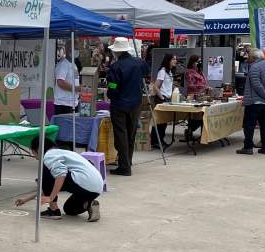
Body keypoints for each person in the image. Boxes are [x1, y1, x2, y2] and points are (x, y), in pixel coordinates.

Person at [13, 142, 104, 222]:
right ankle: (88, 205)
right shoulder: (63, 153)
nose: (34, 156)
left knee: (46, 170)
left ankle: (54, 210)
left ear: (38, 149)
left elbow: (61, 175)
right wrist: (26, 199)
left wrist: (51, 198)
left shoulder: (49, 156)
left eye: (33, 152)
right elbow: (48, 188)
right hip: (96, 188)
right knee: (69, 210)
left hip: (83, 181)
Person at [105, 36, 147, 176]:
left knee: (121, 134)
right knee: (131, 133)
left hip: (120, 104)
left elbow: (112, 87)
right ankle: (128, 161)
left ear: (116, 51)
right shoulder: (139, 63)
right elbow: (146, 72)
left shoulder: (115, 67)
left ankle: (125, 166)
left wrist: (111, 95)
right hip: (135, 103)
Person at [237, 48, 265, 156]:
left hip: (254, 102)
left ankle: (248, 147)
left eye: (249, 57)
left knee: (249, 125)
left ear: (254, 57)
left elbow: (257, 85)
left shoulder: (254, 67)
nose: (248, 59)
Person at [149, 54, 178, 149]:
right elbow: (156, 87)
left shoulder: (169, 72)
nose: (175, 61)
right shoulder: (162, 71)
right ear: (168, 60)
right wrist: (162, 98)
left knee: (164, 121)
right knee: (159, 121)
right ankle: (155, 141)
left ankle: (161, 139)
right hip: (162, 98)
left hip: (167, 98)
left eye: (175, 59)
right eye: (173, 59)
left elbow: (168, 85)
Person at [53, 43, 80, 117]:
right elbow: (60, 82)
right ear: (68, 50)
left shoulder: (73, 64)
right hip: (64, 103)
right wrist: (76, 88)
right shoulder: (63, 64)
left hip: (73, 102)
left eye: (77, 49)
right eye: (75, 49)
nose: (77, 51)